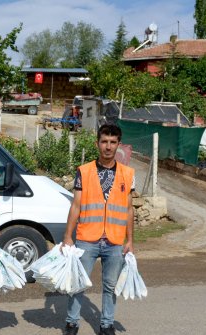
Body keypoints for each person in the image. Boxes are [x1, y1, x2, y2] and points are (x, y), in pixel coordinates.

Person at [62, 124, 135, 335]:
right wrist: (68, 236)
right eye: (104, 142)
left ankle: (106, 324)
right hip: (87, 238)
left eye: (113, 142)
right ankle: (71, 322)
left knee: (110, 286)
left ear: (118, 145)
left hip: (114, 240)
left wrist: (130, 241)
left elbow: (129, 209)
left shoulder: (128, 174)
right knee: (78, 283)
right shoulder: (83, 171)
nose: (108, 147)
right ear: (97, 144)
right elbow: (76, 206)